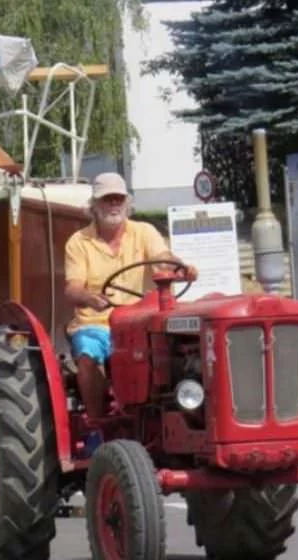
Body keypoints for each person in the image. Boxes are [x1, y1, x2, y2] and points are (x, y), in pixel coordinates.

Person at [63, 172, 198, 422]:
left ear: (127, 203)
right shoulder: (78, 242)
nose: (114, 204)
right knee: (87, 355)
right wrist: (91, 298)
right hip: (98, 323)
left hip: (142, 321)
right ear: (94, 206)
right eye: (107, 199)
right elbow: (72, 289)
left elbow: (163, 258)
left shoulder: (144, 232)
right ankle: (97, 423)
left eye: (119, 199)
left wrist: (181, 268)